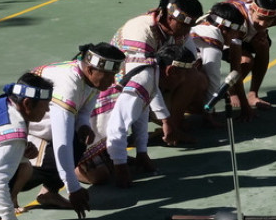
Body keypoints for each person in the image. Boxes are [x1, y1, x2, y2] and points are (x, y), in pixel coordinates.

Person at [25, 43, 125, 219]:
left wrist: (83, 125)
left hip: (42, 131)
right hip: (24, 135)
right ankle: (7, 195)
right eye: (109, 76)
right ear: (92, 70)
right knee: (48, 163)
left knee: (79, 140)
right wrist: (73, 188)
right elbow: (61, 144)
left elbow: (85, 109)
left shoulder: (88, 79)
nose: (113, 81)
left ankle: (49, 192)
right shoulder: (68, 86)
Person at [76, 43, 193, 188]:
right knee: (100, 175)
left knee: (117, 157)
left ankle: (108, 155)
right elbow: (117, 126)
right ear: (171, 70)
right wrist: (121, 168)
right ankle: (75, 166)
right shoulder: (143, 81)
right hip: (86, 127)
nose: (184, 80)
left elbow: (141, 114)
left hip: (99, 121)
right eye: (184, 75)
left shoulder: (152, 69)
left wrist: (142, 151)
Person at [110, 0, 205, 143]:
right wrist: (166, 120)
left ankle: (173, 127)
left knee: (194, 76)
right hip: (124, 87)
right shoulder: (140, 30)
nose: (188, 31)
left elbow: (193, 60)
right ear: (170, 18)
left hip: (154, 81)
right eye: (185, 25)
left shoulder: (179, 29)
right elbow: (142, 79)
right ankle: (168, 127)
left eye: (190, 26)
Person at [0, 73, 53, 220]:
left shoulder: (3, 104)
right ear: (27, 104)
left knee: (24, 166)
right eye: (45, 105)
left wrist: (21, 154)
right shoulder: (13, 132)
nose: (48, 110)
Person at [223, 0, 276, 117]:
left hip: (245, 33)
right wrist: (244, 105)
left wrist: (261, 32)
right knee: (246, 60)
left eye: (269, 21)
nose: (263, 24)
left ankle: (253, 94)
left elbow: (269, 17)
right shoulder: (237, 20)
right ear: (251, 10)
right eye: (260, 19)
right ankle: (231, 91)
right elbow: (235, 65)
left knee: (263, 44)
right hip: (226, 36)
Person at [186, 1, 248, 121]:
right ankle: (187, 111)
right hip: (172, 86)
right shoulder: (212, 40)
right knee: (202, 80)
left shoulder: (201, 28)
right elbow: (213, 76)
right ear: (221, 28)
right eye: (235, 32)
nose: (236, 36)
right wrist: (210, 111)